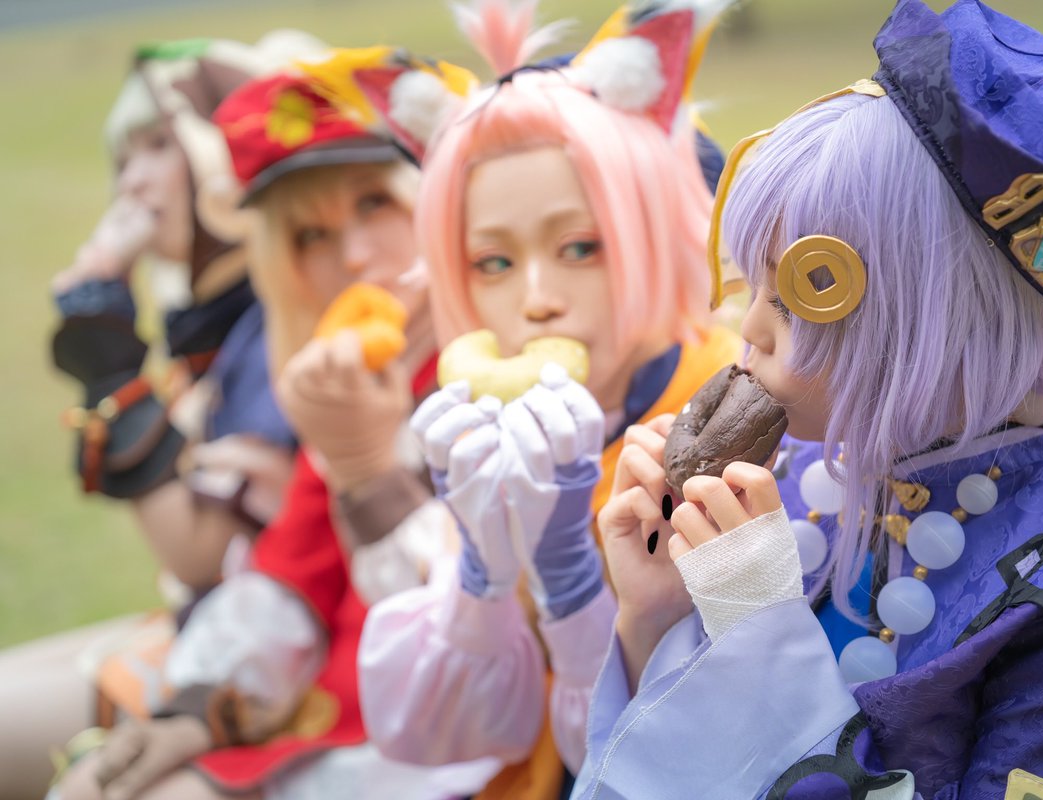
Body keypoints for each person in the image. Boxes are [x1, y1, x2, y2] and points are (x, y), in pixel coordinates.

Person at [574, 1, 1043, 798]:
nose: (750, 330)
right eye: (752, 287)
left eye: (796, 299)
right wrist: (657, 619)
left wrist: (757, 635)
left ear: (941, 318)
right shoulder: (798, 483)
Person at [52, 49, 493, 800]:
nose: (353, 256)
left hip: (444, 744)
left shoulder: (493, 369)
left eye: (375, 204)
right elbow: (290, 568)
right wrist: (200, 710)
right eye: (310, 235)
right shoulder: (332, 358)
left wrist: (368, 474)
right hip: (294, 689)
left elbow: (480, 635)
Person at [356, 1, 743, 797]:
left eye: (580, 248)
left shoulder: (733, 418)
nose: (537, 299)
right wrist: (479, 575)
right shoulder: (482, 426)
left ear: (650, 227)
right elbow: (445, 734)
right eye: (493, 263)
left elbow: (706, 748)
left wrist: (574, 586)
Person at [0, 36, 318, 800]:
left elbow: (199, 552)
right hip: (211, 631)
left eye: (157, 145)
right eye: (123, 157)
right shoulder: (219, 319)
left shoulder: (278, 317)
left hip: (284, 669)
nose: (131, 180)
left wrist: (110, 367)